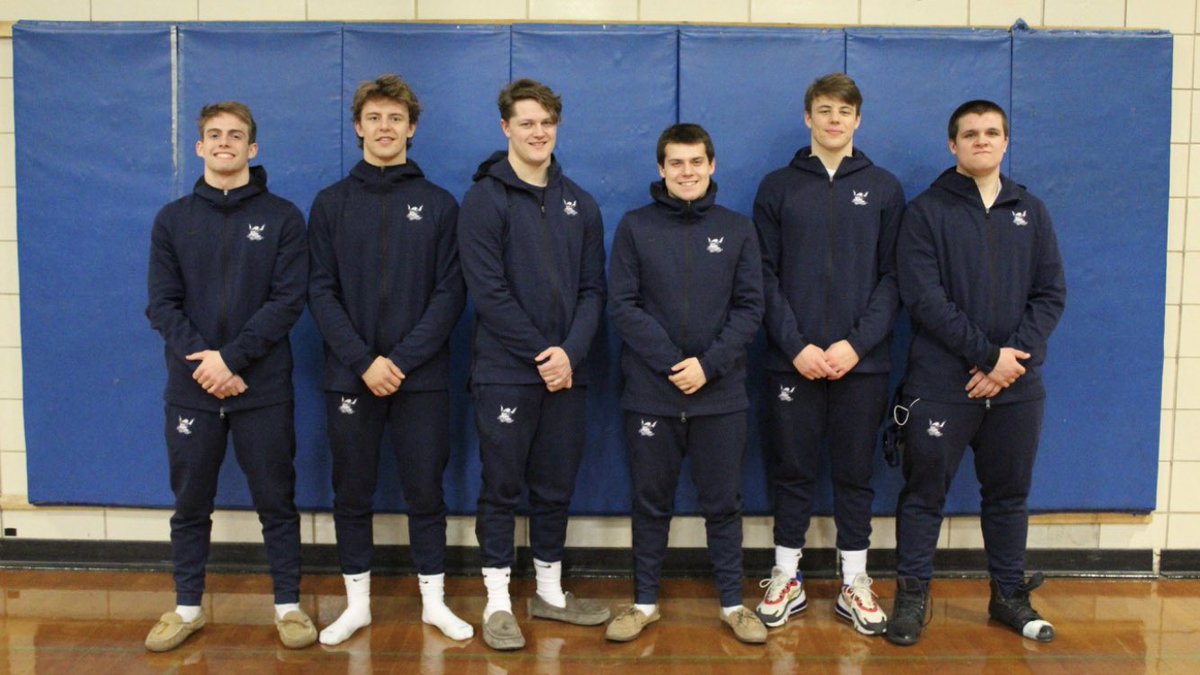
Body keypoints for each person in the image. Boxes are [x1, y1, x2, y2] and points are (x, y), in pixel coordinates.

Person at [887, 100, 1066, 646]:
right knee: (923, 496)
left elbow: (1050, 294)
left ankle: (1008, 595)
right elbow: (924, 298)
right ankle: (912, 598)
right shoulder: (926, 212)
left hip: (1016, 388)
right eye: (970, 134)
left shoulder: (1030, 210)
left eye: (991, 132)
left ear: (1005, 142)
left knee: (1008, 496)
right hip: (942, 385)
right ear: (953, 145)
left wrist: (1010, 362)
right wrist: (988, 357)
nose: (981, 140)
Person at [307, 74, 471, 645]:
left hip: (420, 379)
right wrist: (363, 361)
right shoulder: (331, 204)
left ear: (412, 128)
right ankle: (357, 606)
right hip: (349, 377)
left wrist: (400, 360)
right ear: (358, 127)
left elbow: (451, 292)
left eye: (395, 118)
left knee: (426, 491)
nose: (385, 128)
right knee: (352, 492)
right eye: (374, 118)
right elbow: (320, 290)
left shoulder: (439, 205)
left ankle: (434, 603)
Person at [144, 102, 314, 651]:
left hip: (262, 389)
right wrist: (208, 364)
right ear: (200, 147)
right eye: (214, 135)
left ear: (251, 148)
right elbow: (162, 305)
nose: (224, 142)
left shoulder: (284, 217)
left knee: (276, 501)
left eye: (235, 135)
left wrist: (233, 361)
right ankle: (186, 608)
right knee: (190, 504)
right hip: (192, 390)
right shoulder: (173, 220)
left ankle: (288, 607)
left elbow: (287, 302)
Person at [457, 78, 610, 651]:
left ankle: (549, 592)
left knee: (554, 486)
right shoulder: (484, 200)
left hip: (567, 373)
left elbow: (593, 290)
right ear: (506, 128)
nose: (538, 132)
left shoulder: (580, 203)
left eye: (546, 122)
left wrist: (569, 353)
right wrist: (542, 354)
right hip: (505, 372)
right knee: (501, 486)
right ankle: (498, 600)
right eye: (526, 123)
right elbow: (487, 291)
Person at [752, 73, 903, 635]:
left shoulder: (884, 188)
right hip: (791, 363)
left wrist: (855, 344)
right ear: (808, 117)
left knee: (855, 473)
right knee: (791, 470)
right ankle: (786, 575)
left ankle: (854, 581)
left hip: (861, 364)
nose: (834, 119)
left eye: (844, 111)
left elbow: (895, 278)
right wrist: (795, 345)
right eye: (824, 110)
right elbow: (761, 275)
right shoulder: (777, 187)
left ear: (858, 119)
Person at [604, 123, 766, 645]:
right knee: (650, 501)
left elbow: (750, 308)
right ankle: (644, 603)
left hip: (720, 395)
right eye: (676, 162)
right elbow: (622, 305)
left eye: (696, 161)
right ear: (661, 168)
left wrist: (708, 366)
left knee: (723, 503)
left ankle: (734, 605)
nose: (687, 171)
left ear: (712, 165)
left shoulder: (738, 229)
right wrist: (674, 364)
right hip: (651, 393)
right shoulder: (635, 227)